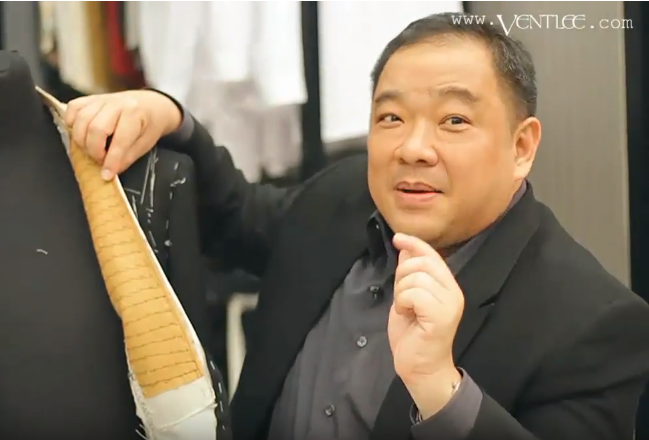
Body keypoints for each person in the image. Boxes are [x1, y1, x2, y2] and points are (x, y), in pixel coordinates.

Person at [64, 12, 649, 440]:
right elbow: (238, 218)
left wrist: (441, 390)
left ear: (522, 147)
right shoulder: (343, 196)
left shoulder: (595, 323)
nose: (413, 148)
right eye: (391, 117)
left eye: (453, 120)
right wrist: (171, 117)